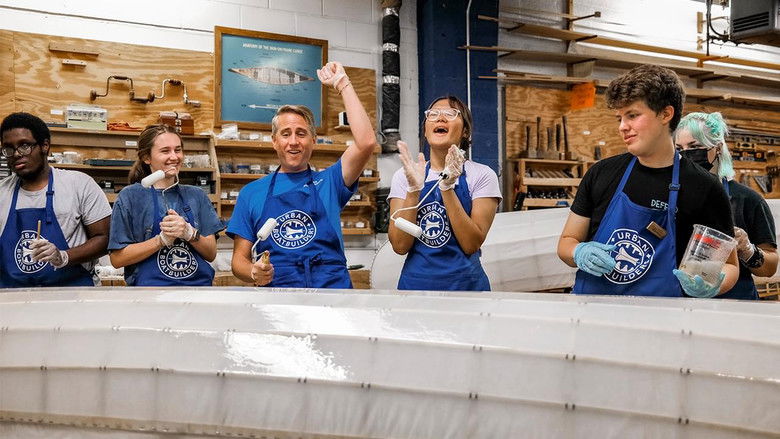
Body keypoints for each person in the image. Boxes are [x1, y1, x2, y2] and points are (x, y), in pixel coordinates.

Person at [557, 64, 739, 297]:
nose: (622, 127)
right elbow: (567, 241)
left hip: (663, 314)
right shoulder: (602, 173)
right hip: (594, 310)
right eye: (620, 118)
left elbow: (730, 265)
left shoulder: (705, 187)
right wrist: (578, 252)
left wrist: (712, 285)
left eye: (632, 115)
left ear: (666, 114)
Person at [227, 61, 377, 288]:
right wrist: (253, 272)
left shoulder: (331, 182)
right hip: (279, 295)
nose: (294, 141)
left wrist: (343, 84)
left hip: (332, 292)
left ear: (313, 140)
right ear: (274, 141)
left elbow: (366, 142)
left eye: (301, 133)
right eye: (286, 134)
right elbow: (239, 260)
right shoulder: (251, 193)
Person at [387, 95, 501, 291]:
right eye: (433, 114)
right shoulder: (405, 175)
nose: (440, 118)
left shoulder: (482, 175)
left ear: (465, 131)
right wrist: (413, 191)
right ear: (425, 130)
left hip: (466, 289)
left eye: (450, 113)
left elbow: (471, 244)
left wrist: (447, 187)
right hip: (415, 289)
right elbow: (399, 245)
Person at [0, 112, 111, 287]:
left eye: (24, 146)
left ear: (45, 146)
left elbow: (104, 238)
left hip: (71, 294)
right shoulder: (2, 192)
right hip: (13, 295)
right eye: (8, 148)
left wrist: (64, 256)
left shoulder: (79, 185)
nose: (16, 154)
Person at [675, 112, 778, 299]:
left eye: (695, 146)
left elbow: (770, 268)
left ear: (718, 148)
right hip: (681, 300)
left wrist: (747, 249)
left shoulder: (748, 200)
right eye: (679, 148)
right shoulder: (673, 197)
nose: (686, 154)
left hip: (735, 301)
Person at [108, 124, 223, 286]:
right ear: (146, 157)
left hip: (197, 290)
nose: (174, 157)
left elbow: (211, 254)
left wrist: (190, 233)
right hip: (150, 293)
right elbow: (117, 259)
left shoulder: (196, 195)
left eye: (178, 150)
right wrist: (160, 240)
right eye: (165, 151)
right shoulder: (130, 197)